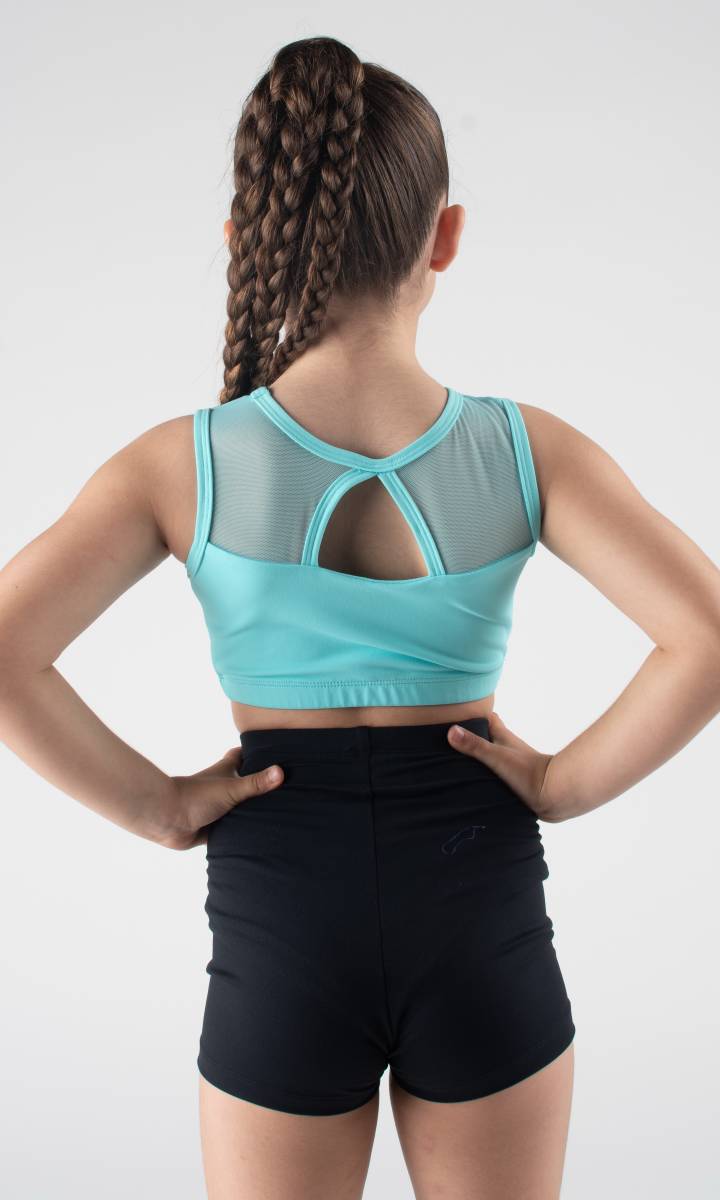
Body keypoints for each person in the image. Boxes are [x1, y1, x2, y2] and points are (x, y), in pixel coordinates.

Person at [2, 33, 719, 1200]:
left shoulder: (181, 467)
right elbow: (708, 636)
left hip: (282, 915)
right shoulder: (526, 452)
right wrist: (561, 784)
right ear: (447, 236)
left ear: (246, 239)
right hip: (479, 902)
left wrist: (161, 806)